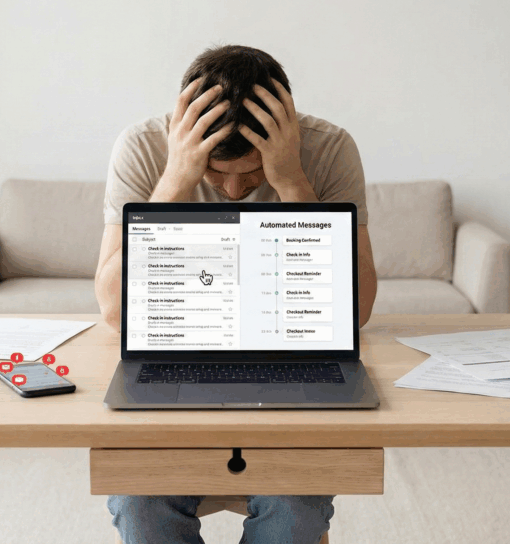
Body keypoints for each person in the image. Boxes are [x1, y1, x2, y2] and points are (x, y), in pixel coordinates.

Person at [95, 44, 378, 544]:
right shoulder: (141, 148)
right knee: (141, 506)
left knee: (295, 508)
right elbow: (116, 312)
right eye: (214, 172)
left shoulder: (329, 149)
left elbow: (355, 311)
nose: (230, 190)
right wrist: (178, 178)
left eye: (249, 174)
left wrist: (290, 181)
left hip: (292, 359)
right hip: (175, 354)